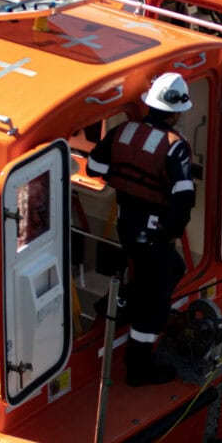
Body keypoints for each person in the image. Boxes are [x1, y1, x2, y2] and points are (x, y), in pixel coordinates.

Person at [86, 72, 196, 386]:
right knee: (155, 301)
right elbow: (184, 196)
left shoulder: (121, 130)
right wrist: (170, 231)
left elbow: (95, 167)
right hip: (155, 233)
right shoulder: (176, 147)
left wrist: (124, 174)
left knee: (171, 269)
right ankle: (138, 367)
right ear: (176, 112)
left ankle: (120, 301)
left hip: (126, 226)